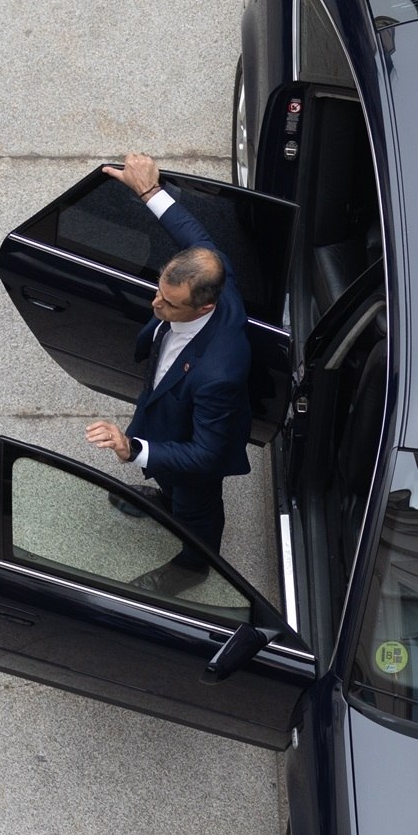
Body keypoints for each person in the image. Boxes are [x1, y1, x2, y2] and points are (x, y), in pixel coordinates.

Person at [84, 154, 252, 596]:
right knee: (172, 483)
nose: (156, 306)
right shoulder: (215, 273)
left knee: (196, 501)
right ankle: (167, 501)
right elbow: (195, 235)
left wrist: (135, 448)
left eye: (169, 304)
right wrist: (148, 190)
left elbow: (204, 456)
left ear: (205, 308)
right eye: (159, 292)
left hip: (193, 446)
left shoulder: (220, 372)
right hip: (167, 408)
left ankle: (194, 563)